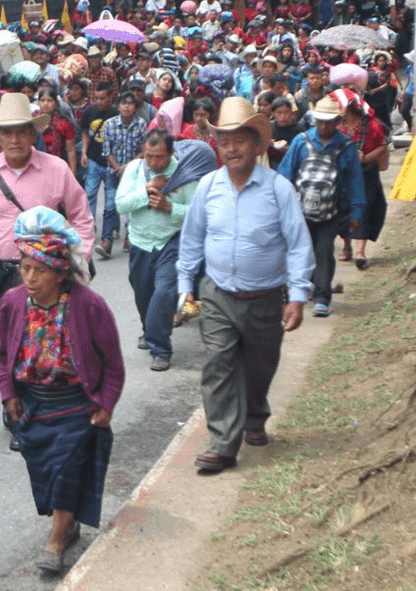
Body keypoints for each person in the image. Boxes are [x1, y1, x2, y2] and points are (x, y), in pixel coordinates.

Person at [176, 97, 314, 474]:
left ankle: (255, 415)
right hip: (217, 293)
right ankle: (222, 443)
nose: (232, 148)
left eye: (240, 140)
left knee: (259, 367)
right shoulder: (207, 187)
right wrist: (185, 285)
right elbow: (191, 240)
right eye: (225, 141)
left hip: (266, 298)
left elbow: (299, 244)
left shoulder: (278, 189)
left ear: (256, 145)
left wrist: (298, 295)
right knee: (218, 364)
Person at [0, 93, 95, 440]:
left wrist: (80, 260)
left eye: (21, 131)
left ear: (34, 134)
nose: (14, 139)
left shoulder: (57, 170)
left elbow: (81, 217)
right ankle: (12, 398)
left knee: (36, 345)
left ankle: (23, 413)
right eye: (7, 133)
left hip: (46, 274)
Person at [0, 206, 123, 575]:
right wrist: (9, 394)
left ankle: (55, 541)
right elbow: (2, 353)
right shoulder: (12, 302)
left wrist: (106, 404)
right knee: (46, 474)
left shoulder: (89, 305)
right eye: (25, 268)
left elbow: (113, 363)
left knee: (66, 469)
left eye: (40, 270)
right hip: (34, 406)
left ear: (60, 271)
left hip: (76, 407)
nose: (30, 277)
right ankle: (67, 523)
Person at [115, 130, 197, 371]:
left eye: (159, 157)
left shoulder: (185, 174)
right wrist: (147, 189)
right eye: (149, 156)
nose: (153, 162)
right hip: (140, 242)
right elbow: (121, 204)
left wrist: (169, 206)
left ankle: (160, 349)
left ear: (170, 154)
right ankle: (148, 328)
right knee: (143, 294)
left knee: (163, 292)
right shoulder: (135, 170)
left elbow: (195, 213)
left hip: (170, 242)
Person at [277, 97, 365, 318]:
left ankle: (322, 297)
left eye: (329, 122)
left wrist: (356, 212)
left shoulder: (346, 147)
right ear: (315, 120)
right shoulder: (301, 142)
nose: (324, 126)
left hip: (331, 210)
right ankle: (299, 289)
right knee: (299, 250)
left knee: (324, 250)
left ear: (337, 121)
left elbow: (355, 181)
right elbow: (286, 175)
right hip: (299, 209)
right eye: (320, 122)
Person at [332, 89, 388, 271]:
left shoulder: (371, 125)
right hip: (341, 176)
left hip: (366, 174)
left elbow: (382, 146)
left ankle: (360, 252)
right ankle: (347, 246)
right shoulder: (332, 125)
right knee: (341, 210)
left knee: (364, 209)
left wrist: (365, 158)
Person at [95, 91, 147, 258]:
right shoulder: (109, 124)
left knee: (132, 206)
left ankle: (130, 237)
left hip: (133, 172)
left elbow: (143, 150)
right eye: (123, 103)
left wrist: (128, 167)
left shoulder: (141, 124)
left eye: (130, 104)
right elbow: (106, 150)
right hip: (113, 171)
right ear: (118, 106)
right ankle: (106, 241)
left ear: (136, 107)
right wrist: (118, 167)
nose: (126, 107)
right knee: (110, 206)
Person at [80, 82, 118, 254]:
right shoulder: (89, 112)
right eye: (97, 98)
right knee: (89, 197)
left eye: (103, 98)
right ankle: (89, 229)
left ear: (111, 97)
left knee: (111, 202)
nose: (99, 101)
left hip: (111, 164)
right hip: (94, 161)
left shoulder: (116, 113)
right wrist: (84, 153)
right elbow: (85, 133)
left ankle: (107, 237)